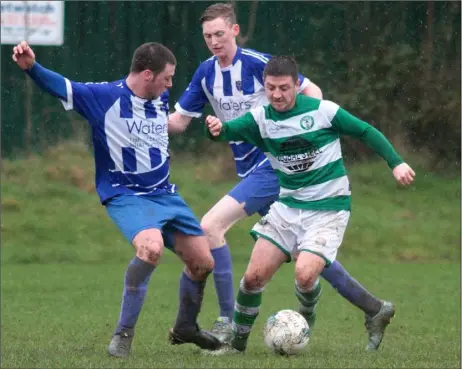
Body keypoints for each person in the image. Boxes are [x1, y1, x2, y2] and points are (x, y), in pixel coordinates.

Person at [168, 2, 395, 351]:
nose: (213, 41)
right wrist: (143, 120)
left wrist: (304, 137)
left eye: (218, 33)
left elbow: (313, 95)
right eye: (206, 35)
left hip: (271, 170)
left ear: (234, 31)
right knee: (306, 257)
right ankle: (374, 308)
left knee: (210, 226)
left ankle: (226, 323)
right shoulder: (205, 73)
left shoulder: (260, 64)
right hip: (256, 174)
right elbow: (180, 121)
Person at [12, 41, 222, 357]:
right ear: (148, 74)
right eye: (167, 77)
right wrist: (32, 67)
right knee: (150, 249)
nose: (170, 85)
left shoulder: (159, 97)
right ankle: (123, 336)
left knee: (203, 263)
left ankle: (185, 327)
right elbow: (61, 86)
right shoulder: (103, 97)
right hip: (126, 196)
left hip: (166, 195)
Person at [204, 55, 415, 354]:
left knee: (305, 274)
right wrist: (213, 128)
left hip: (328, 209)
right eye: (271, 88)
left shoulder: (322, 111)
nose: (277, 94)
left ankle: (307, 317)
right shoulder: (261, 119)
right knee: (252, 278)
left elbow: (365, 131)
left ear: (296, 85)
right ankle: (236, 346)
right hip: (287, 208)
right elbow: (225, 132)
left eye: (284, 88)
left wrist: (396, 163)